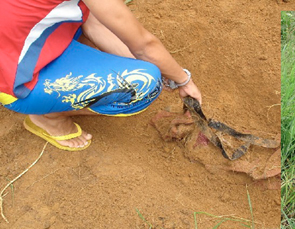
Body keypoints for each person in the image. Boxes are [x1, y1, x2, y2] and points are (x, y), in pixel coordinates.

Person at [0, 0, 202, 151]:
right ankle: (47, 117)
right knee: (146, 82)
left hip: (16, 44)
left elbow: (93, 22)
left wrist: (156, 65)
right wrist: (183, 80)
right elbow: (145, 45)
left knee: (85, 13)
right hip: (15, 83)